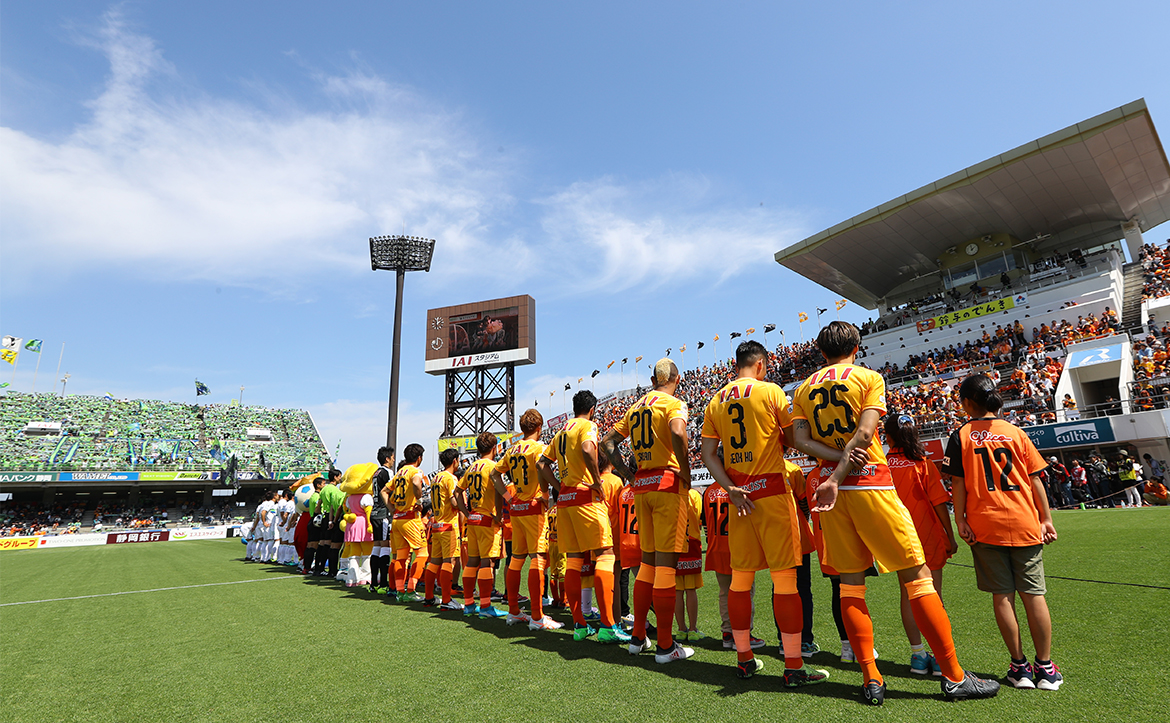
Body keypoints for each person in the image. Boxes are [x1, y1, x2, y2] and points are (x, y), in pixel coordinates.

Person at [790, 321, 998, 704]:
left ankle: (871, 678)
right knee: (918, 577)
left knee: (850, 586)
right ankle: (953, 676)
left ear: (821, 351)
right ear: (856, 347)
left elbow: (801, 440)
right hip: (870, 484)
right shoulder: (868, 377)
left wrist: (833, 467)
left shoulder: (803, 388)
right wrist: (844, 468)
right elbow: (865, 435)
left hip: (831, 496)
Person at [701, 341, 828, 685]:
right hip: (771, 493)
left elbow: (708, 454)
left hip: (739, 499)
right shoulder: (770, 391)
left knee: (741, 581)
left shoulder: (716, 400)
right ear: (760, 364)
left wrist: (730, 488)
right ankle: (794, 666)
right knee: (785, 581)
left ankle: (744, 659)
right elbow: (792, 438)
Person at [944, 373, 1062, 691]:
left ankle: (1019, 668)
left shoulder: (961, 435)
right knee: (1034, 595)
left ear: (967, 403)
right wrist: (1046, 518)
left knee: (1003, 596)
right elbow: (1035, 479)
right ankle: (1045, 668)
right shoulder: (1015, 432)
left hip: (984, 525)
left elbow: (958, 483)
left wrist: (960, 520)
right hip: (1025, 521)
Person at [601, 361, 691, 659]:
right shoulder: (673, 403)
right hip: (667, 486)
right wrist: (685, 471)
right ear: (677, 378)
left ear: (653, 380)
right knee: (665, 568)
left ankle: (638, 637)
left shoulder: (635, 406)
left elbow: (607, 442)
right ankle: (665, 645)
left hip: (642, 487)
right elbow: (677, 431)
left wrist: (628, 474)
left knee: (648, 565)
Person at [541, 390, 629, 645]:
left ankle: (579, 624)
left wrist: (558, 487)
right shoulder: (587, 425)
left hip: (565, 500)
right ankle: (608, 626)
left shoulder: (560, 431)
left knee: (574, 560)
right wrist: (597, 480)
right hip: (585, 498)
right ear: (592, 409)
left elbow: (541, 464)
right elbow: (589, 448)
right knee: (605, 554)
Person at [884, 414, 958, 676]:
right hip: (926, 534)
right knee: (934, 595)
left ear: (888, 436)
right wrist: (950, 536)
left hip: (897, 536)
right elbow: (939, 502)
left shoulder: (881, 465)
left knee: (907, 595)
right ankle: (940, 657)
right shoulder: (922, 463)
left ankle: (918, 655)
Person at [491, 409, 563, 631]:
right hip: (533, 507)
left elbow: (494, 474)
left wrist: (508, 497)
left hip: (517, 509)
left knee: (516, 559)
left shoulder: (512, 449)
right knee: (538, 558)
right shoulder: (539, 448)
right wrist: (546, 494)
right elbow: (542, 468)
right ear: (539, 428)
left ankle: (513, 611)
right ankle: (537, 616)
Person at [703, 478, 765, 652]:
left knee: (724, 592)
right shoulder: (739, 488)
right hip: (739, 546)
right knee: (744, 592)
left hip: (717, 547)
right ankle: (744, 635)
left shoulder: (709, 491)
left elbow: (705, 524)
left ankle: (727, 633)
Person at [455, 433, 506, 618]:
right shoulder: (493, 466)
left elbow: (457, 491)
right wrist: (499, 515)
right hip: (487, 519)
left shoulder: (471, 467)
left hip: (474, 519)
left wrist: (466, 512)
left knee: (472, 562)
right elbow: (499, 492)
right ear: (494, 448)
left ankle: (469, 604)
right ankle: (485, 607)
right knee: (487, 563)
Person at [389, 444, 428, 601]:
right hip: (410, 519)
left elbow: (385, 491)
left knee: (401, 557)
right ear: (419, 458)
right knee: (423, 554)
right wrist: (419, 500)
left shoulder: (399, 472)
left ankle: (400, 592)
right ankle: (411, 590)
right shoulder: (415, 471)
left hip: (397, 519)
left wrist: (392, 509)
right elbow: (417, 483)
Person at [427, 448, 464, 610]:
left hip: (437, 525)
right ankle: (447, 600)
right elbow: (454, 502)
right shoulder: (451, 478)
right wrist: (464, 507)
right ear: (455, 460)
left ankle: (429, 597)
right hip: (449, 525)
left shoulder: (436, 477)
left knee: (434, 562)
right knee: (449, 561)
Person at [674, 487, 704, 641]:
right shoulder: (694, 495)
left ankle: (681, 629)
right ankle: (692, 629)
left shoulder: (670, 494)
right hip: (691, 543)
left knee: (677, 591)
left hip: (673, 544)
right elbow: (699, 518)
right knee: (691, 590)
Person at [369, 446, 394, 594]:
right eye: (392, 457)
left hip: (374, 512)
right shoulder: (387, 472)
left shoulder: (376, 472)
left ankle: (374, 583)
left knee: (377, 546)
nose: (393, 460)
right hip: (384, 512)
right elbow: (392, 490)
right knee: (385, 546)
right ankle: (383, 583)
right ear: (387, 458)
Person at [315, 469, 345, 577]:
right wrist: (333, 520)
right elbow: (336, 506)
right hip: (332, 517)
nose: (340, 478)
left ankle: (319, 568)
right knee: (330, 544)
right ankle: (330, 570)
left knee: (322, 543)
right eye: (340, 476)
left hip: (325, 517)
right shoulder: (336, 490)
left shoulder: (324, 489)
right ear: (335, 477)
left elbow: (319, 504)